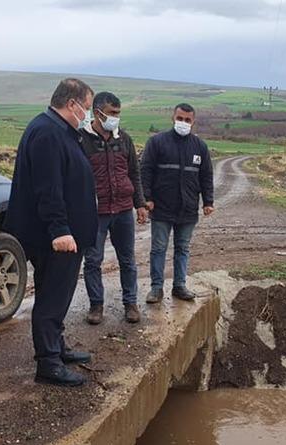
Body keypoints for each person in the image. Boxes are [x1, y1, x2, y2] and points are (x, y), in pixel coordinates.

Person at [4, 79, 98, 387]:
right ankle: (48, 364)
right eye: (86, 106)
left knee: (56, 294)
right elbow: (48, 189)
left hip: (67, 235)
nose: (88, 114)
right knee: (51, 300)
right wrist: (60, 229)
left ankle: (57, 348)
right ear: (72, 104)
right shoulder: (47, 133)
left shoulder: (61, 131)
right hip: (56, 238)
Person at [80, 92, 148, 325]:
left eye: (118, 113)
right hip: (95, 212)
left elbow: (134, 173)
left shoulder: (124, 139)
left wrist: (140, 204)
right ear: (97, 112)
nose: (115, 118)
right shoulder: (82, 140)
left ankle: (130, 303)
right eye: (112, 113)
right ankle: (96, 306)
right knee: (93, 260)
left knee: (127, 259)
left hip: (122, 210)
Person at [140, 103, 214, 304]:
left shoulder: (200, 147)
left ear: (193, 122)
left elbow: (206, 176)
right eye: (180, 118)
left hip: (188, 209)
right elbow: (145, 171)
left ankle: (179, 286)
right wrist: (147, 198)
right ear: (173, 118)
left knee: (183, 248)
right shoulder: (157, 142)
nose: (183, 123)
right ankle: (156, 288)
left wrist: (208, 201)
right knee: (158, 248)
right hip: (162, 208)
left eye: (187, 120)